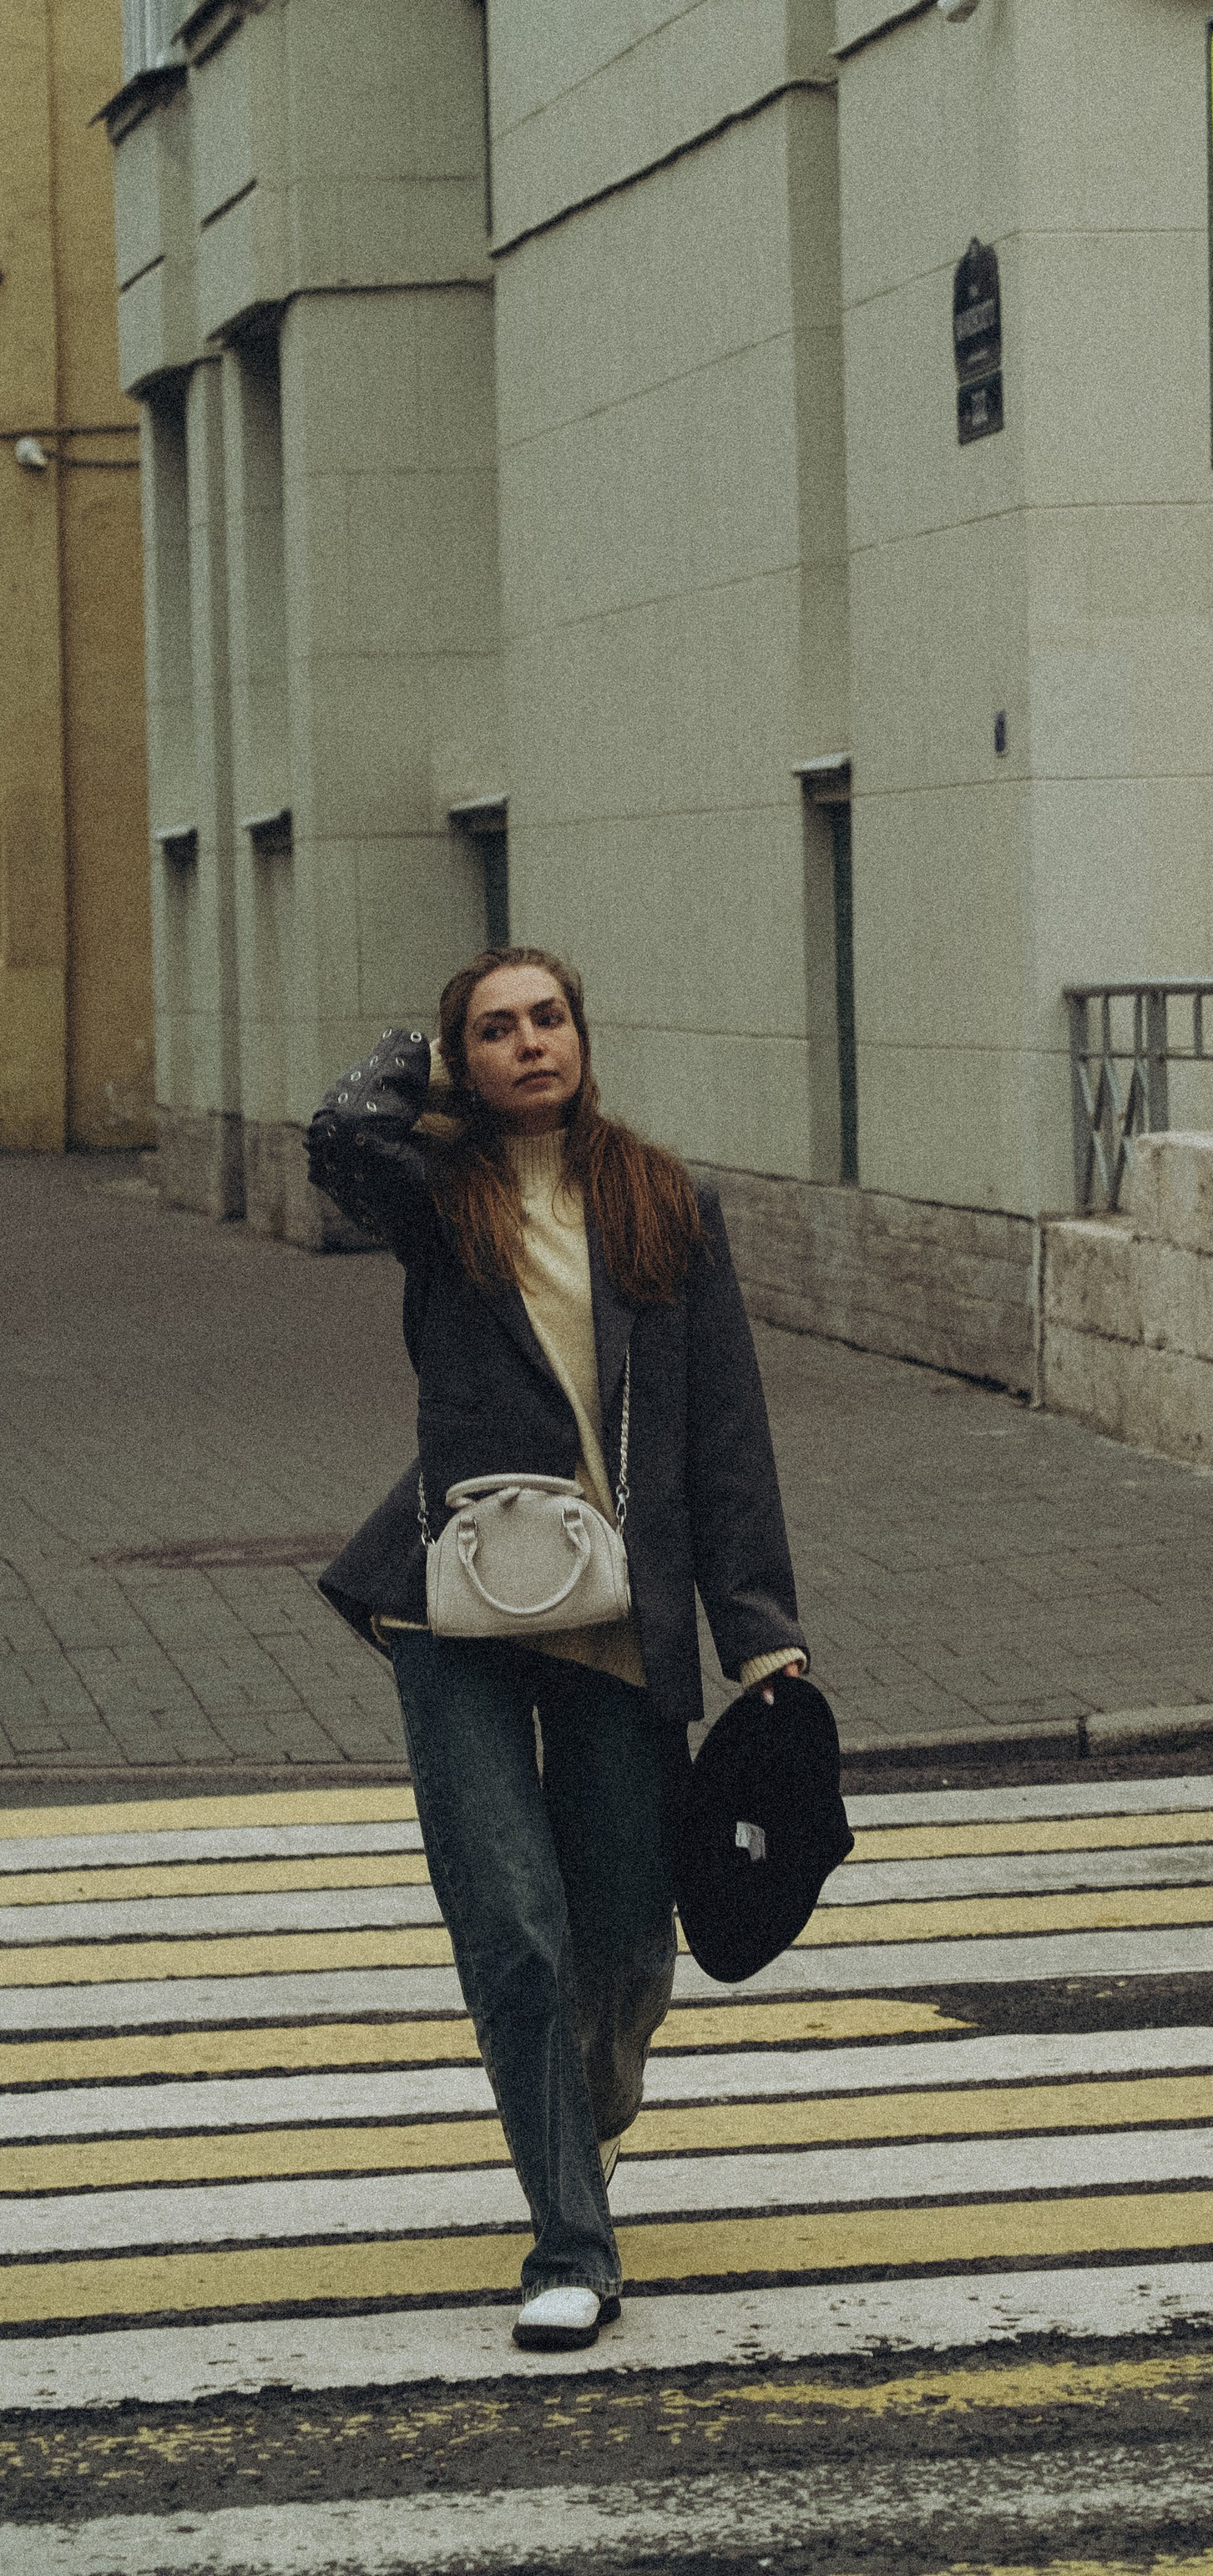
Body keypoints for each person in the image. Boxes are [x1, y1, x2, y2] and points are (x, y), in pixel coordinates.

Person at [310, 945, 809, 2351]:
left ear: (583, 1035)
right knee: (513, 1932)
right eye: (494, 1030)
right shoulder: (436, 1194)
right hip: (454, 1607)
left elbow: (726, 1440)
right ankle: (568, 2243)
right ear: (463, 1060)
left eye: (547, 1019)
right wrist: (416, 1066)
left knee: (627, 1947)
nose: (529, 1044)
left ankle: (573, 2129)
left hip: (617, 1616)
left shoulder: (665, 1202)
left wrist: (762, 1634)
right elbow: (337, 1137)